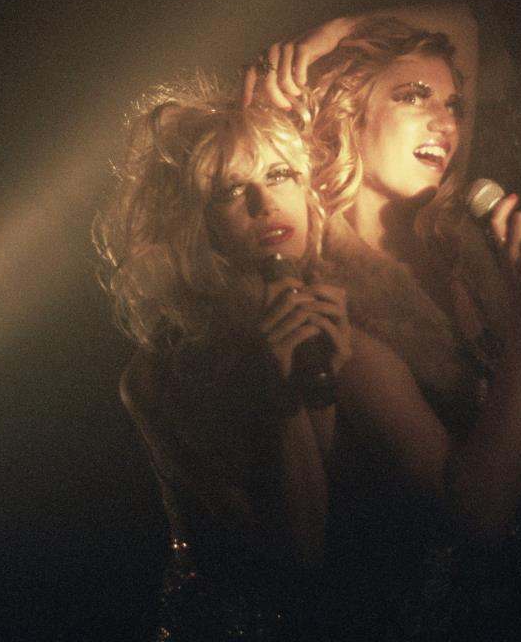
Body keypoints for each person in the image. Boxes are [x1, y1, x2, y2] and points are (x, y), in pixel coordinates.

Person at [243, 12, 521, 636]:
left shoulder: (455, 236)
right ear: (346, 115)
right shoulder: (335, 306)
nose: (446, 124)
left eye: (452, 105)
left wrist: (337, 28)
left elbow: (464, 24)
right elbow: (479, 517)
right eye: (414, 97)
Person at [94, 78, 353, 640]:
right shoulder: (164, 374)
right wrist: (284, 396)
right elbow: (302, 552)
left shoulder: (340, 314)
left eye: (279, 174)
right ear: (197, 223)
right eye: (233, 191)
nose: (266, 204)